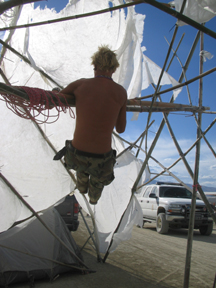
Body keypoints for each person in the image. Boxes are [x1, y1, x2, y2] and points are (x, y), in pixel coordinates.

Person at [59, 45, 127, 205]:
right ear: (114, 69)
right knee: (97, 186)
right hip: (101, 159)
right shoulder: (120, 92)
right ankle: (93, 199)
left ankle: (81, 187)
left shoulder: (80, 85)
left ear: (94, 66)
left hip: (77, 154)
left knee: (81, 170)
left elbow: (58, 97)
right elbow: (121, 129)